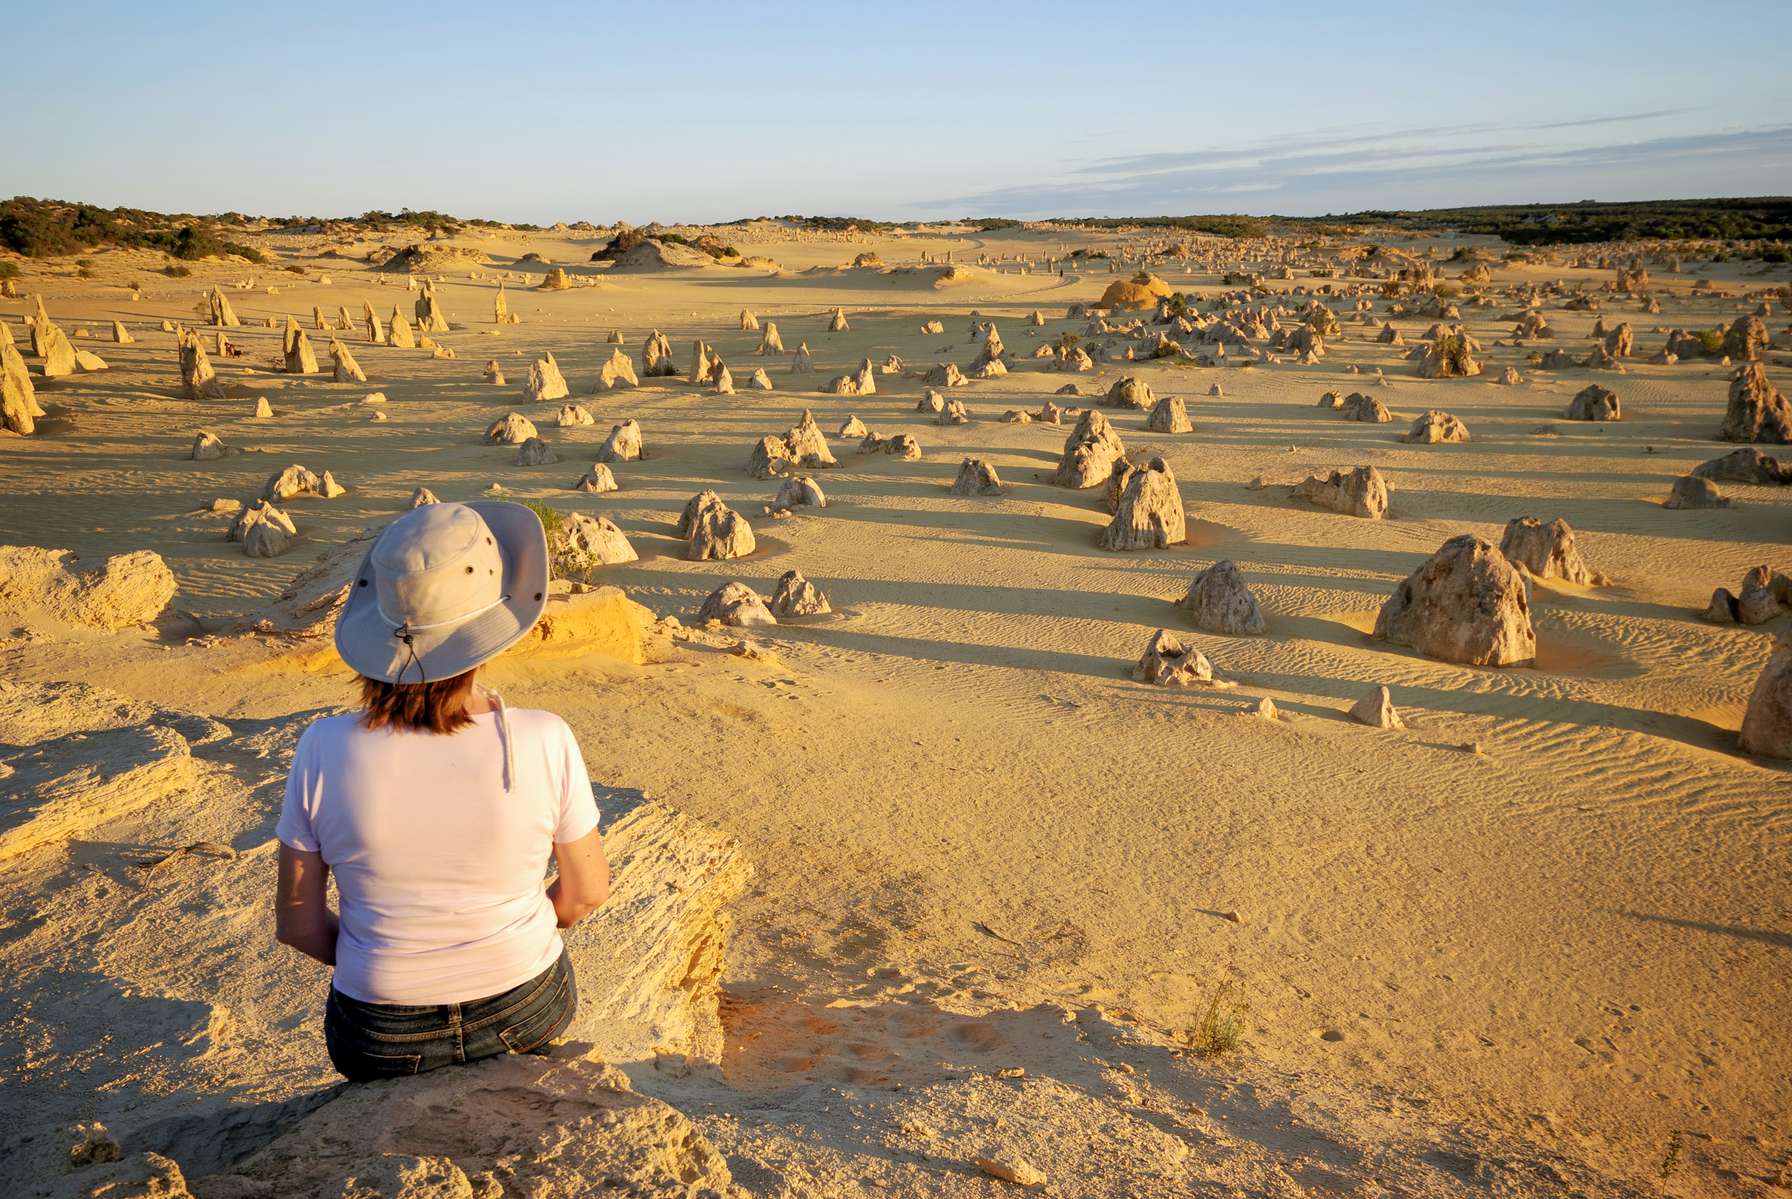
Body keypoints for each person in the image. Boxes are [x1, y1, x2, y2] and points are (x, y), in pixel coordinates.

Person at [273, 500, 610, 1081]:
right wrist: (505, 942)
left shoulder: (322, 749)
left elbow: (298, 926)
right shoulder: (544, 737)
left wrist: (386, 963)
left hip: (378, 1032)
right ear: (493, 626)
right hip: (523, 1006)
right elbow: (586, 894)